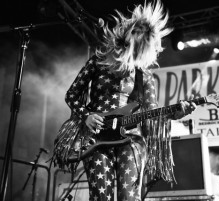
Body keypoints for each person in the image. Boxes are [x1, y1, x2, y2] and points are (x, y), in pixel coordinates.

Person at [51, 1, 196, 200]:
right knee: (102, 197)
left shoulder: (144, 75)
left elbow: (151, 113)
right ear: (127, 40)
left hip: (131, 140)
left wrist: (175, 114)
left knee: (130, 197)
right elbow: (72, 94)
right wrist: (87, 116)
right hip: (96, 140)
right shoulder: (98, 61)